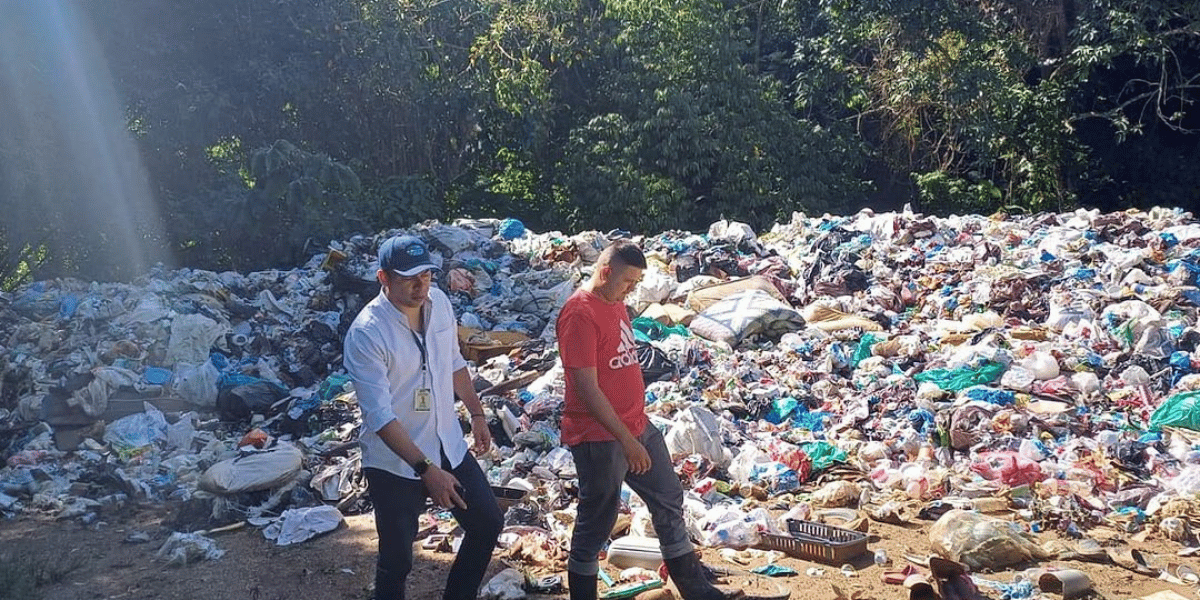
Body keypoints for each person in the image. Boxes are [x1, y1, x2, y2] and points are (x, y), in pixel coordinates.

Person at [556, 240, 741, 600]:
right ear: (605, 272)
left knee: (668, 496)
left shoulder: (616, 304)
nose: (632, 290)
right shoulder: (580, 313)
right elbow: (586, 388)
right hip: (600, 436)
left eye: (637, 283)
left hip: (636, 424)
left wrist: (635, 429)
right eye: (628, 281)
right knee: (597, 522)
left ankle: (697, 591)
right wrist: (627, 441)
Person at [343, 234, 503, 600]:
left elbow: (454, 364)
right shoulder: (368, 333)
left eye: (426, 276)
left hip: (447, 440)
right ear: (383, 278)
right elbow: (379, 416)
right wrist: (427, 470)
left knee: (487, 524)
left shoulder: (440, 304)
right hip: (395, 463)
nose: (420, 286)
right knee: (397, 561)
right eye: (408, 279)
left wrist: (476, 413)